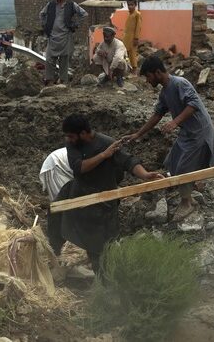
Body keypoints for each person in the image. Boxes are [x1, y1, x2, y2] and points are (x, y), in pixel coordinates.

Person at [48, 114, 163, 273]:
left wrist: (145, 175)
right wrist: (103, 155)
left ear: (83, 133)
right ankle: (52, 259)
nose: (68, 139)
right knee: (55, 218)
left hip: (102, 201)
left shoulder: (106, 143)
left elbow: (129, 161)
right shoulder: (73, 145)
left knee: (99, 249)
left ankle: (105, 285)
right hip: (77, 193)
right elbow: (79, 167)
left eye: (71, 136)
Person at [125, 56, 214, 221]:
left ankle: (187, 202)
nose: (147, 81)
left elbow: (193, 104)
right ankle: (190, 188)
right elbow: (158, 114)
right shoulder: (164, 92)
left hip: (198, 131)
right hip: (187, 132)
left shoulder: (179, 83)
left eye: (148, 76)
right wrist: (138, 134)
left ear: (157, 72)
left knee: (184, 167)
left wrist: (175, 122)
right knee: (173, 161)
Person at [39, 0, 88, 85]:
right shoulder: (51, 5)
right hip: (52, 37)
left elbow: (84, 14)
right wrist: (45, 25)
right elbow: (42, 14)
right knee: (49, 60)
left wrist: (75, 24)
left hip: (65, 37)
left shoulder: (71, 5)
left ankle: (62, 81)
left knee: (64, 60)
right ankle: (50, 81)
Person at [123, 0, 142, 70]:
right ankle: (127, 68)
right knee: (125, 53)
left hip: (133, 38)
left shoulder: (137, 14)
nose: (130, 6)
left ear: (135, 5)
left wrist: (136, 38)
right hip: (127, 38)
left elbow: (138, 27)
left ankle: (134, 70)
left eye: (132, 5)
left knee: (132, 54)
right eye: (128, 5)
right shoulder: (130, 14)